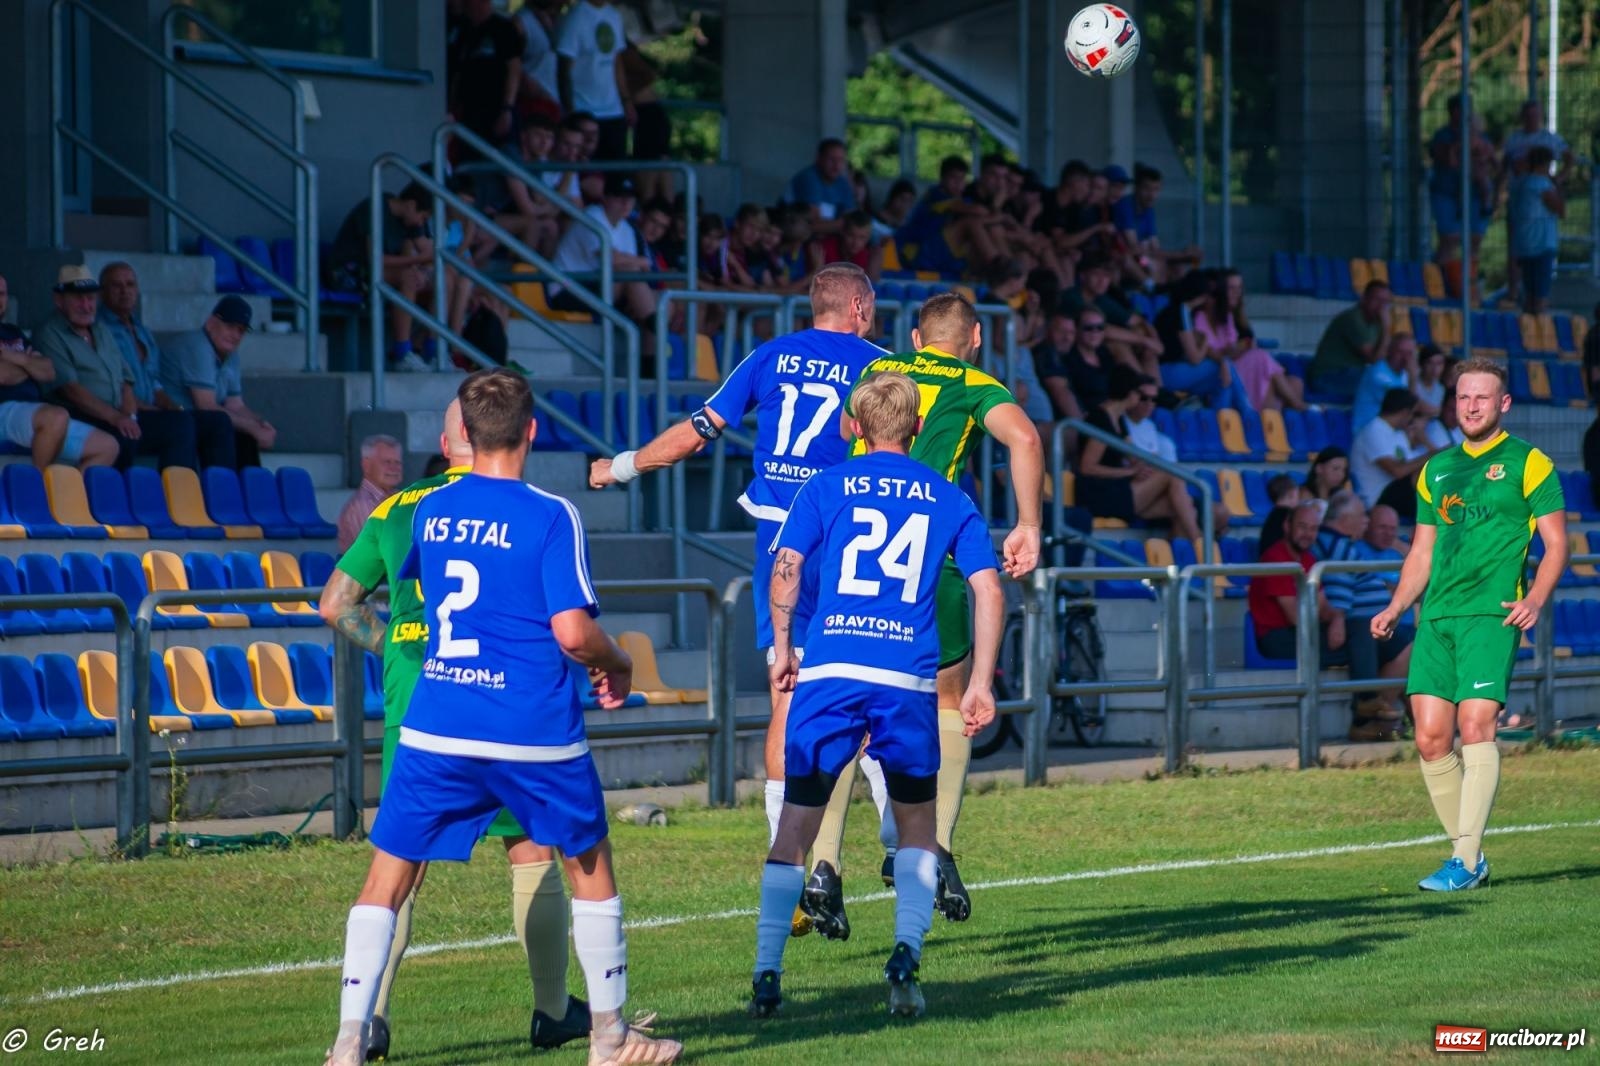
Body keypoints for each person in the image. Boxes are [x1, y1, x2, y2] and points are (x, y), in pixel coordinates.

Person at [320, 370, 681, 1066]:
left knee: (387, 879)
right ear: (532, 432)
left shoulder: (420, 512)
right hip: (528, 725)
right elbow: (573, 634)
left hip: (436, 718)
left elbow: (364, 601)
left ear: (462, 436)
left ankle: (346, 1044)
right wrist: (620, 662)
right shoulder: (551, 513)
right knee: (586, 862)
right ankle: (606, 1037)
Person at [588, 263, 885, 857]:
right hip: (852, 540)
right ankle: (900, 842)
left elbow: (696, 434)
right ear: (857, 307)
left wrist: (619, 466)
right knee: (873, 689)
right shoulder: (881, 366)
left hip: (779, 543)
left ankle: (785, 855)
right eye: (871, 306)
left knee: (788, 696)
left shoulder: (771, 356)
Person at [749, 371, 1002, 1020]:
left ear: (855, 428)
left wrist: (782, 646)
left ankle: (768, 967)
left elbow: (787, 566)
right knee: (917, 828)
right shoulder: (949, 497)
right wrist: (979, 682)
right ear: (917, 428)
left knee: (795, 825)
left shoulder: (825, 485)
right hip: (906, 680)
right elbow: (988, 589)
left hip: (831, 669)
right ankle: (905, 960)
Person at [801, 294, 1042, 938]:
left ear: (914, 336)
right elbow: (1024, 436)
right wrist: (1028, 524)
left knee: (844, 701)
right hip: (928, 554)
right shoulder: (974, 382)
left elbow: (850, 432)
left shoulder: (880, 375)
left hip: (852, 552)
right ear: (977, 338)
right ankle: (928, 847)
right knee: (949, 694)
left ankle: (823, 864)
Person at [1370, 358, 1568, 892]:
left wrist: (1537, 599)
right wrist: (1394, 607)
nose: (1471, 406)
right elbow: (1421, 552)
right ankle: (1470, 859)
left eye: (1482, 398)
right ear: (1452, 403)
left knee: (1475, 726)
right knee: (1432, 740)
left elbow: (1557, 545)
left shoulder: (1531, 463)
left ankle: (1465, 859)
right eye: (1462, 398)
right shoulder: (1436, 470)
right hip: (1436, 617)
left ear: (1503, 404)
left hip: (1492, 614)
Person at [33, 265, 206, 471]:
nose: (86, 305)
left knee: (180, 424)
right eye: (78, 298)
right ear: (59, 300)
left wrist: (131, 417)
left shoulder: (101, 329)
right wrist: (117, 418)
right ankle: (114, 499)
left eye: (90, 298)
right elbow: (71, 390)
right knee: (123, 437)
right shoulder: (50, 333)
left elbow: (126, 381)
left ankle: (176, 498)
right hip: (81, 415)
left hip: (116, 415)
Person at [1076, 366, 1216, 544]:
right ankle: (1202, 545)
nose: (1146, 401)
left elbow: (1134, 455)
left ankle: (1172, 563)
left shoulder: (1117, 418)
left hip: (1119, 490)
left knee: (1184, 508)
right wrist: (1129, 472)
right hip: (1100, 494)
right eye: (1140, 394)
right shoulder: (1100, 418)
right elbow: (1087, 467)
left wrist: (1145, 469)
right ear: (1130, 393)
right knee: (1171, 473)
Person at [1312, 491, 1411, 740]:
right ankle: (1370, 718)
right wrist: (1339, 619)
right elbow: (1338, 589)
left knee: (1414, 647)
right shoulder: (1338, 545)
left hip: (1368, 626)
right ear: (1347, 518)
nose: (1365, 522)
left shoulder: (1339, 542)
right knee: (1415, 645)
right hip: (1358, 628)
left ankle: (1394, 719)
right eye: (1362, 517)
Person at [0, 273, 116, 470]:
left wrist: (14, 358)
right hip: (4, 410)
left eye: (2, 294)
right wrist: (30, 365)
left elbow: (48, 371)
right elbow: (4, 375)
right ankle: (39, 491)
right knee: (56, 416)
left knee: (107, 446)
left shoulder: (13, 332)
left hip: (31, 412)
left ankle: (64, 499)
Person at [326, 184, 435, 371]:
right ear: (410, 205)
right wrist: (418, 260)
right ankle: (401, 353)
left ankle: (433, 352)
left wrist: (422, 267)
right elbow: (374, 259)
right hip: (348, 273)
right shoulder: (374, 208)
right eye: (423, 217)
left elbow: (424, 255)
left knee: (439, 281)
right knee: (408, 277)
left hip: (379, 274)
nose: (421, 223)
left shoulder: (408, 221)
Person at [159, 296, 277, 468]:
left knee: (242, 434)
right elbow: (206, 406)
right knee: (220, 424)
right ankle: (219, 490)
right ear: (211, 323)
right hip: (170, 417)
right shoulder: (197, 346)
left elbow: (235, 405)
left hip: (195, 421)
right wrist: (251, 427)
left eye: (241, 330)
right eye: (230, 327)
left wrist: (261, 425)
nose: (236, 335)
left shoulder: (231, 355)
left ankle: (249, 492)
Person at [548, 174, 658, 337]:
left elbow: (634, 267)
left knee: (663, 302)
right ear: (605, 198)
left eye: (630, 198)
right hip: (567, 288)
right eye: (619, 197)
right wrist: (640, 261)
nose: (626, 203)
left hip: (599, 287)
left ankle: (653, 352)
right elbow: (611, 260)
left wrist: (635, 263)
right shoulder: (592, 216)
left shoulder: (627, 228)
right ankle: (657, 328)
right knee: (629, 277)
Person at [1246, 501, 1351, 670]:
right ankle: (1370, 695)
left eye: (1313, 529)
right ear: (1287, 526)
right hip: (1276, 637)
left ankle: (1372, 695)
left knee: (1359, 636)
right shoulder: (1276, 558)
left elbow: (1323, 606)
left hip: (1300, 632)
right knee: (1358, 646)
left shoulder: (1308, 559)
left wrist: (1337, 619)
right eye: (1302, 527)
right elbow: (1296, 617)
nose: (1307, 534)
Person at [1207, 268, 1307, 411]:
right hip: (1228, 372)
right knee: (1261, 357)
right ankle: (1294, 407)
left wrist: (1244, 347)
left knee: (1296, 382)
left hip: (1249, 367)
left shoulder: (1235, 317)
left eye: (1240, 288)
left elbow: (1247, 343)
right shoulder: (1210, 317)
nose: (1237, 293)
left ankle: (1282, 421)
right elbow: (1215, 352)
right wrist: (1237, 349)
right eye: (1231, 288)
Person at [555, 0, 630, 160]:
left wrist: (626, 101)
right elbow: (564, 69)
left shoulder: (614, 15)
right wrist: (570, 112)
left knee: (616, 173)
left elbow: (617, 62)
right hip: (584, 109)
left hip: (613, 111)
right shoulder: (576, 17)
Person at [448, 0, 524, 149]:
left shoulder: (504, 28)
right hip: (468, 112)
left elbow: (514, 70)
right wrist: (452, 107)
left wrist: (507, 108)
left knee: (501, 156)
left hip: (496, 109)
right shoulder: (462, 30)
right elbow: (457, 73)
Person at [1113, 164, 1201, 286]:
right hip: (1127, 259)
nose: (1152, 195)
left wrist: (1182, 256)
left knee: (1177, 267)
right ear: (1136, 188)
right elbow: (1134, 248)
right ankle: (1154, 294)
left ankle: (1174, 300)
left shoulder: (1148, 210)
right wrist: (1180, 254)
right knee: (1152, 262)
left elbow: (1155, 248)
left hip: (1142, 256)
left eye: (1156, 189)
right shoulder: (1125, 205)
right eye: (1147, 189)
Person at [1350, 388, 1436, 513]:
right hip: (1376, 497)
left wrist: (1424, 440)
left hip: (1395, 493)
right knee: (1420, 476)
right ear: (1405, 412)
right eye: (1412, 414)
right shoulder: (1374, 430)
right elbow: (1397, 471)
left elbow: (1412, 464)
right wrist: (1432, 454)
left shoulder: (1398, 434)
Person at [1309, 281, 1393, 400]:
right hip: (1329, 376)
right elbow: (1374, 360)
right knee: (1380, 386)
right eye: (1377, 300)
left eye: (1385, 302)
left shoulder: (1376, 323)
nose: (1381, 307)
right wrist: (1386, 328)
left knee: (1392, 381)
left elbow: (1383, 359)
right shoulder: (1353, 319)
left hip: (1351, 374)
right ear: (1364, 299)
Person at [1509, 145, 1564, 313]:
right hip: (1541, 245)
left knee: (1529, 294)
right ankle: (1540, 333)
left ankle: (1529, 332)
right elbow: (1560, 209)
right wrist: (1559, 186)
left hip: (1524, 245)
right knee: (1540, 296)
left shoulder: (1520, 183)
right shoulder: (1542, 185)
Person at [337, 435, 403, 552]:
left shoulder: (402, 499)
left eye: (397, 463)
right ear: (366, 465)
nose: (394, 468)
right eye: (387, 462)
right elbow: (375, 555)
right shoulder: (358, 508)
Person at [1352, 332, 1421, 435]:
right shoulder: (1377, 372)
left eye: (1409, 353)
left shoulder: (1404, 374)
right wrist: (1413, 378)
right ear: (1389, 351)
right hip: (1367, 430)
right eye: (1400, 352)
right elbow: (1404, 405)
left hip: (1389, 430)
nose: (1405, 358)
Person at [785, 138, 857, 235]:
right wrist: (844, 223)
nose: (837, 165)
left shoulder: (842, 183)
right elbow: (813, 225)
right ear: (819, 158)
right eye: (832, 159)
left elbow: (852, 219)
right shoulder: (808, 178)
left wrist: (845, 223)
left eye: (841, 160)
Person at [512, 0, 563, 122]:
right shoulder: (520, 22)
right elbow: (512, 65)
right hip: (535, 103)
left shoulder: (563, 20)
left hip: (559, 103)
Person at [1031, 309, 1082, 422]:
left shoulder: (1071, 355)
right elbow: (1059, 391)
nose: (1067, 338)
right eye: (1061, 331)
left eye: (1071, 333)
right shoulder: (1045, 353)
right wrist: (1084, 429)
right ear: (1047, 331)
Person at [1123, 377, 1177, 463]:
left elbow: (1153, 461)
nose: (1149, 404)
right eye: (1143, 398)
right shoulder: (1119, 422)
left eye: (1154, 399)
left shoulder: (1149, 425)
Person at [1257, 473, 1303, 556]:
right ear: (1291, 494)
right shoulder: (1290, 519)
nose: (1299, 500)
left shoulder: (1271, 518)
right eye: (1298, 496)